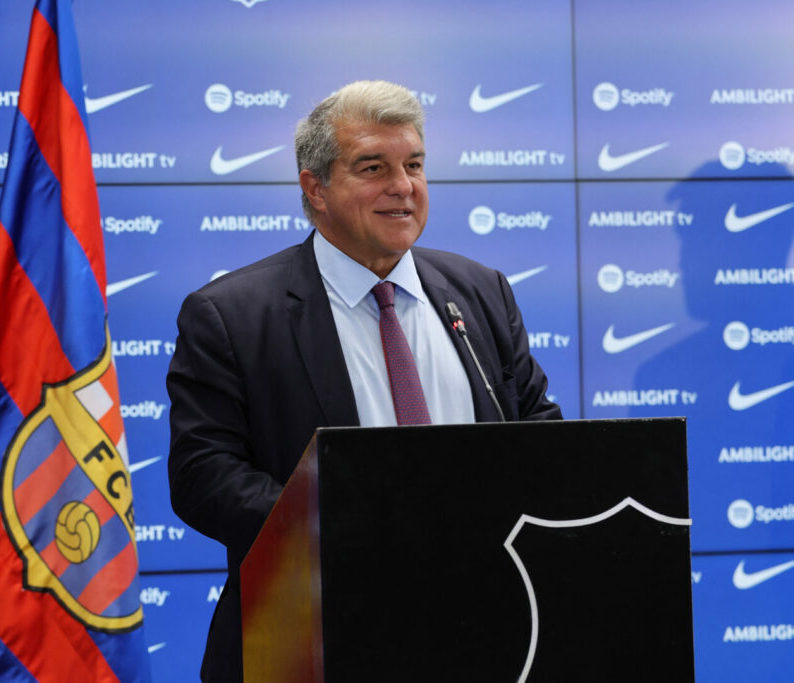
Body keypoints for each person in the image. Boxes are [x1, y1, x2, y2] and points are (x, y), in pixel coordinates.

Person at [166, 80, 561, 682]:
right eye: (373, 167)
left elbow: (540, 433)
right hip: (313, 635)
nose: (402, 187)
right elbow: (202, 475)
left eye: (414, 165)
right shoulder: (233, 315)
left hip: (485, 627)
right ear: (314, 188)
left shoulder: (480, 292)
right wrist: (346, 530)